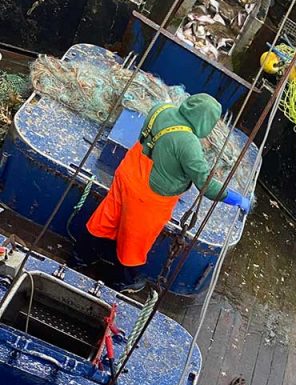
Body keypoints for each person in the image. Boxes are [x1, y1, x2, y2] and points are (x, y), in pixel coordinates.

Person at [85, 93, 229, 293]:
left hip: (129, 172)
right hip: (149, 196)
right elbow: (206, 185)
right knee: (135, 241)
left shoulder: (161, 108)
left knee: (107, 217)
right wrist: (233, 198)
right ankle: (122, 281)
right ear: (206, 121)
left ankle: (81, 257)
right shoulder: (189, 144)